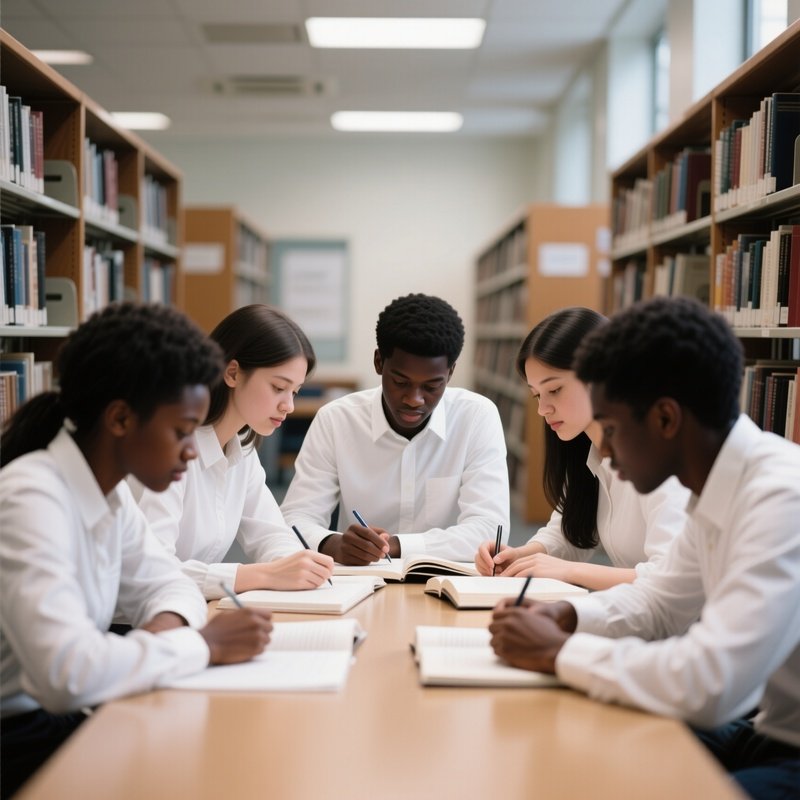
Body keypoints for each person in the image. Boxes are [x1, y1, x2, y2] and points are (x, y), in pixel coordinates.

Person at [489, 297, 800, 799]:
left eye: (610, 429)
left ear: (665, 419)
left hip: (783, 744)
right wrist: (566, 618)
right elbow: (660, 604)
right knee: (585, 748)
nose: (604, 452)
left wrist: (561, 652)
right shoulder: (718, 486)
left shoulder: (782, 497)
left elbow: (710, 684)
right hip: (763, 729)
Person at [0, 303, 273, 799]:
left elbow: (170, 583)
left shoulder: (111, 492)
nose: (192, 451)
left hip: (63, 715)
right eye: (180, 431)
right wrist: (202, 645)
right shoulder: (30, 497)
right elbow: (69, 673)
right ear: (121, 418)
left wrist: (147, 645)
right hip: (17, 741)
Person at [280, 293, 510, 565]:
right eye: (401, 382)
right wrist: (334, 544)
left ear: (450, 373)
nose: (415, 399)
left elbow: (490, 531)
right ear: (379, 362)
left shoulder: (476, 417)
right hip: (361, 582)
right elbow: (294, 519)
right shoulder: (336, 420)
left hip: (447, 582)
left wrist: (396, 546)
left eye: (431, 386)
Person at [474, 307, 689, 590]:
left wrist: (566, 571)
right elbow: (569, 533)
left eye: (555, 390)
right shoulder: (589, 450)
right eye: (536, 394)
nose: (542, 409)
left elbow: (670, 579)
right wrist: (520, 557)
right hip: (639, 617)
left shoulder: (661, 457)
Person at [132, 305, 333, 600]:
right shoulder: (168, 449)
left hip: (189, 612)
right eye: (279, 387)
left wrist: (299, 566)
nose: (288, 405)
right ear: (233, 373)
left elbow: (270, 534)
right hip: (132, 627)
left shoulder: (242, 451)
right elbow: (152, 572)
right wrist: (265, 574)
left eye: (295, 391)